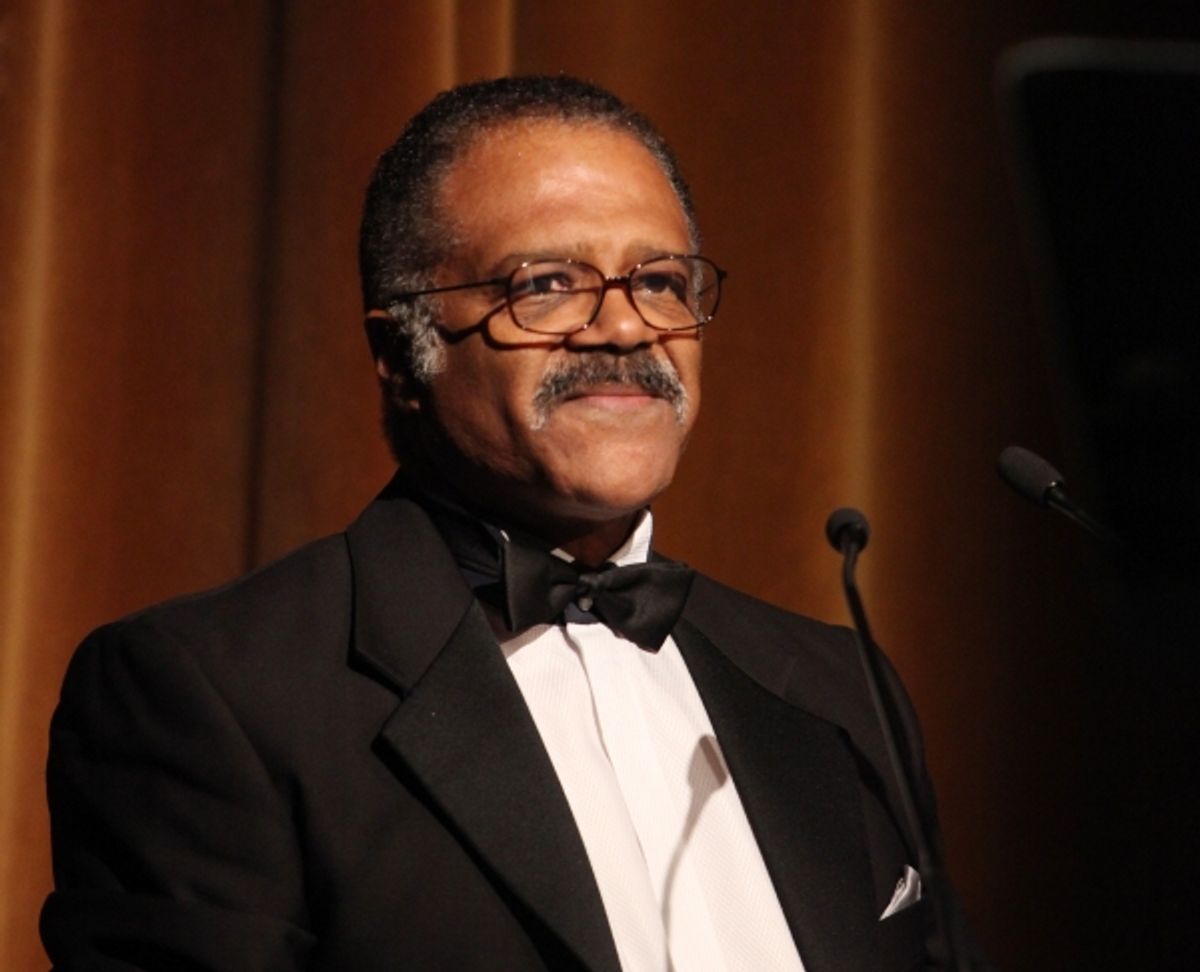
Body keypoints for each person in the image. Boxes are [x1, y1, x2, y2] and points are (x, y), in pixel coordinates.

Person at [42, 75, 973, 971]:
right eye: (548, 285)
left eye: (658, 280)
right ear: (400, 353)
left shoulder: (837, 688)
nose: (623, 330)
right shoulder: (212, 693)